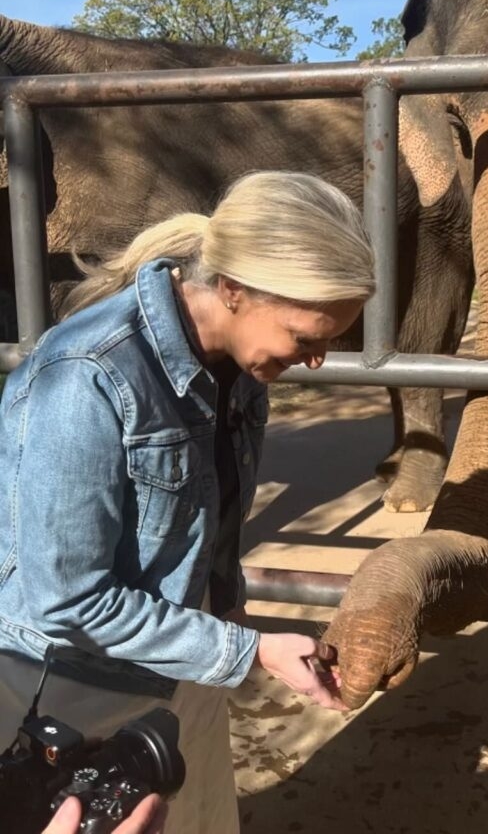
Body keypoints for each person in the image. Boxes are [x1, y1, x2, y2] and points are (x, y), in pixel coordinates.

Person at [0, 171, 375, 834]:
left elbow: (214, 510)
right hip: (72, 681)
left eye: (330, 341)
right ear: (231, 288)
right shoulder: (86, 375)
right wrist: (248, 651)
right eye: (304, 337)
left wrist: (230, 614)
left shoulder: (240, 365)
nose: (316, 361)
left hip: (180, 652)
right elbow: (68, 600)